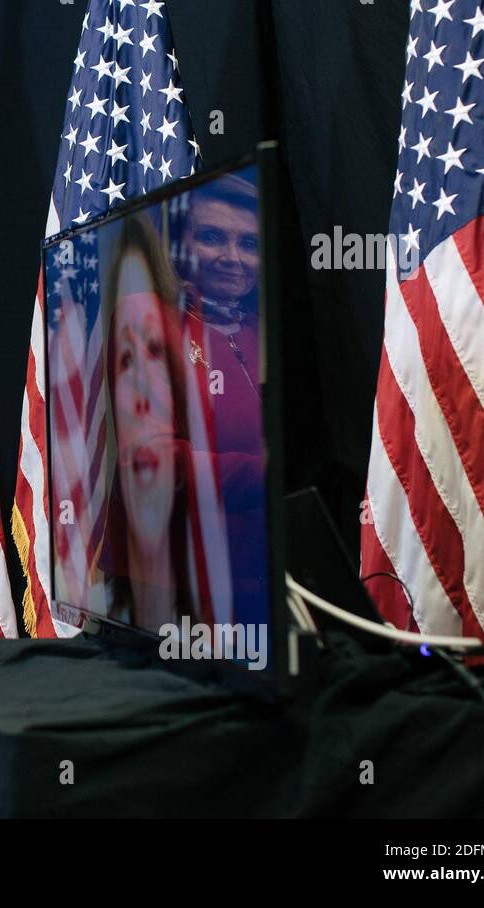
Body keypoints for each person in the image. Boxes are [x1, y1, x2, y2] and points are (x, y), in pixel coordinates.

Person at [100, 214, 199, 630]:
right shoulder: (91, 611)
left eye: (155, 349)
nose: (141, 392)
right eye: (124, 358)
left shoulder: (233, 627)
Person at [179, 173, 268, 628]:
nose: (233, 259)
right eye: (212, 237)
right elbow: (151, 462)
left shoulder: (262, 331)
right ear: (180, 245)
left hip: (267, 579)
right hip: (181, 588)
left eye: (249, 244)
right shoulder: (149, 323)